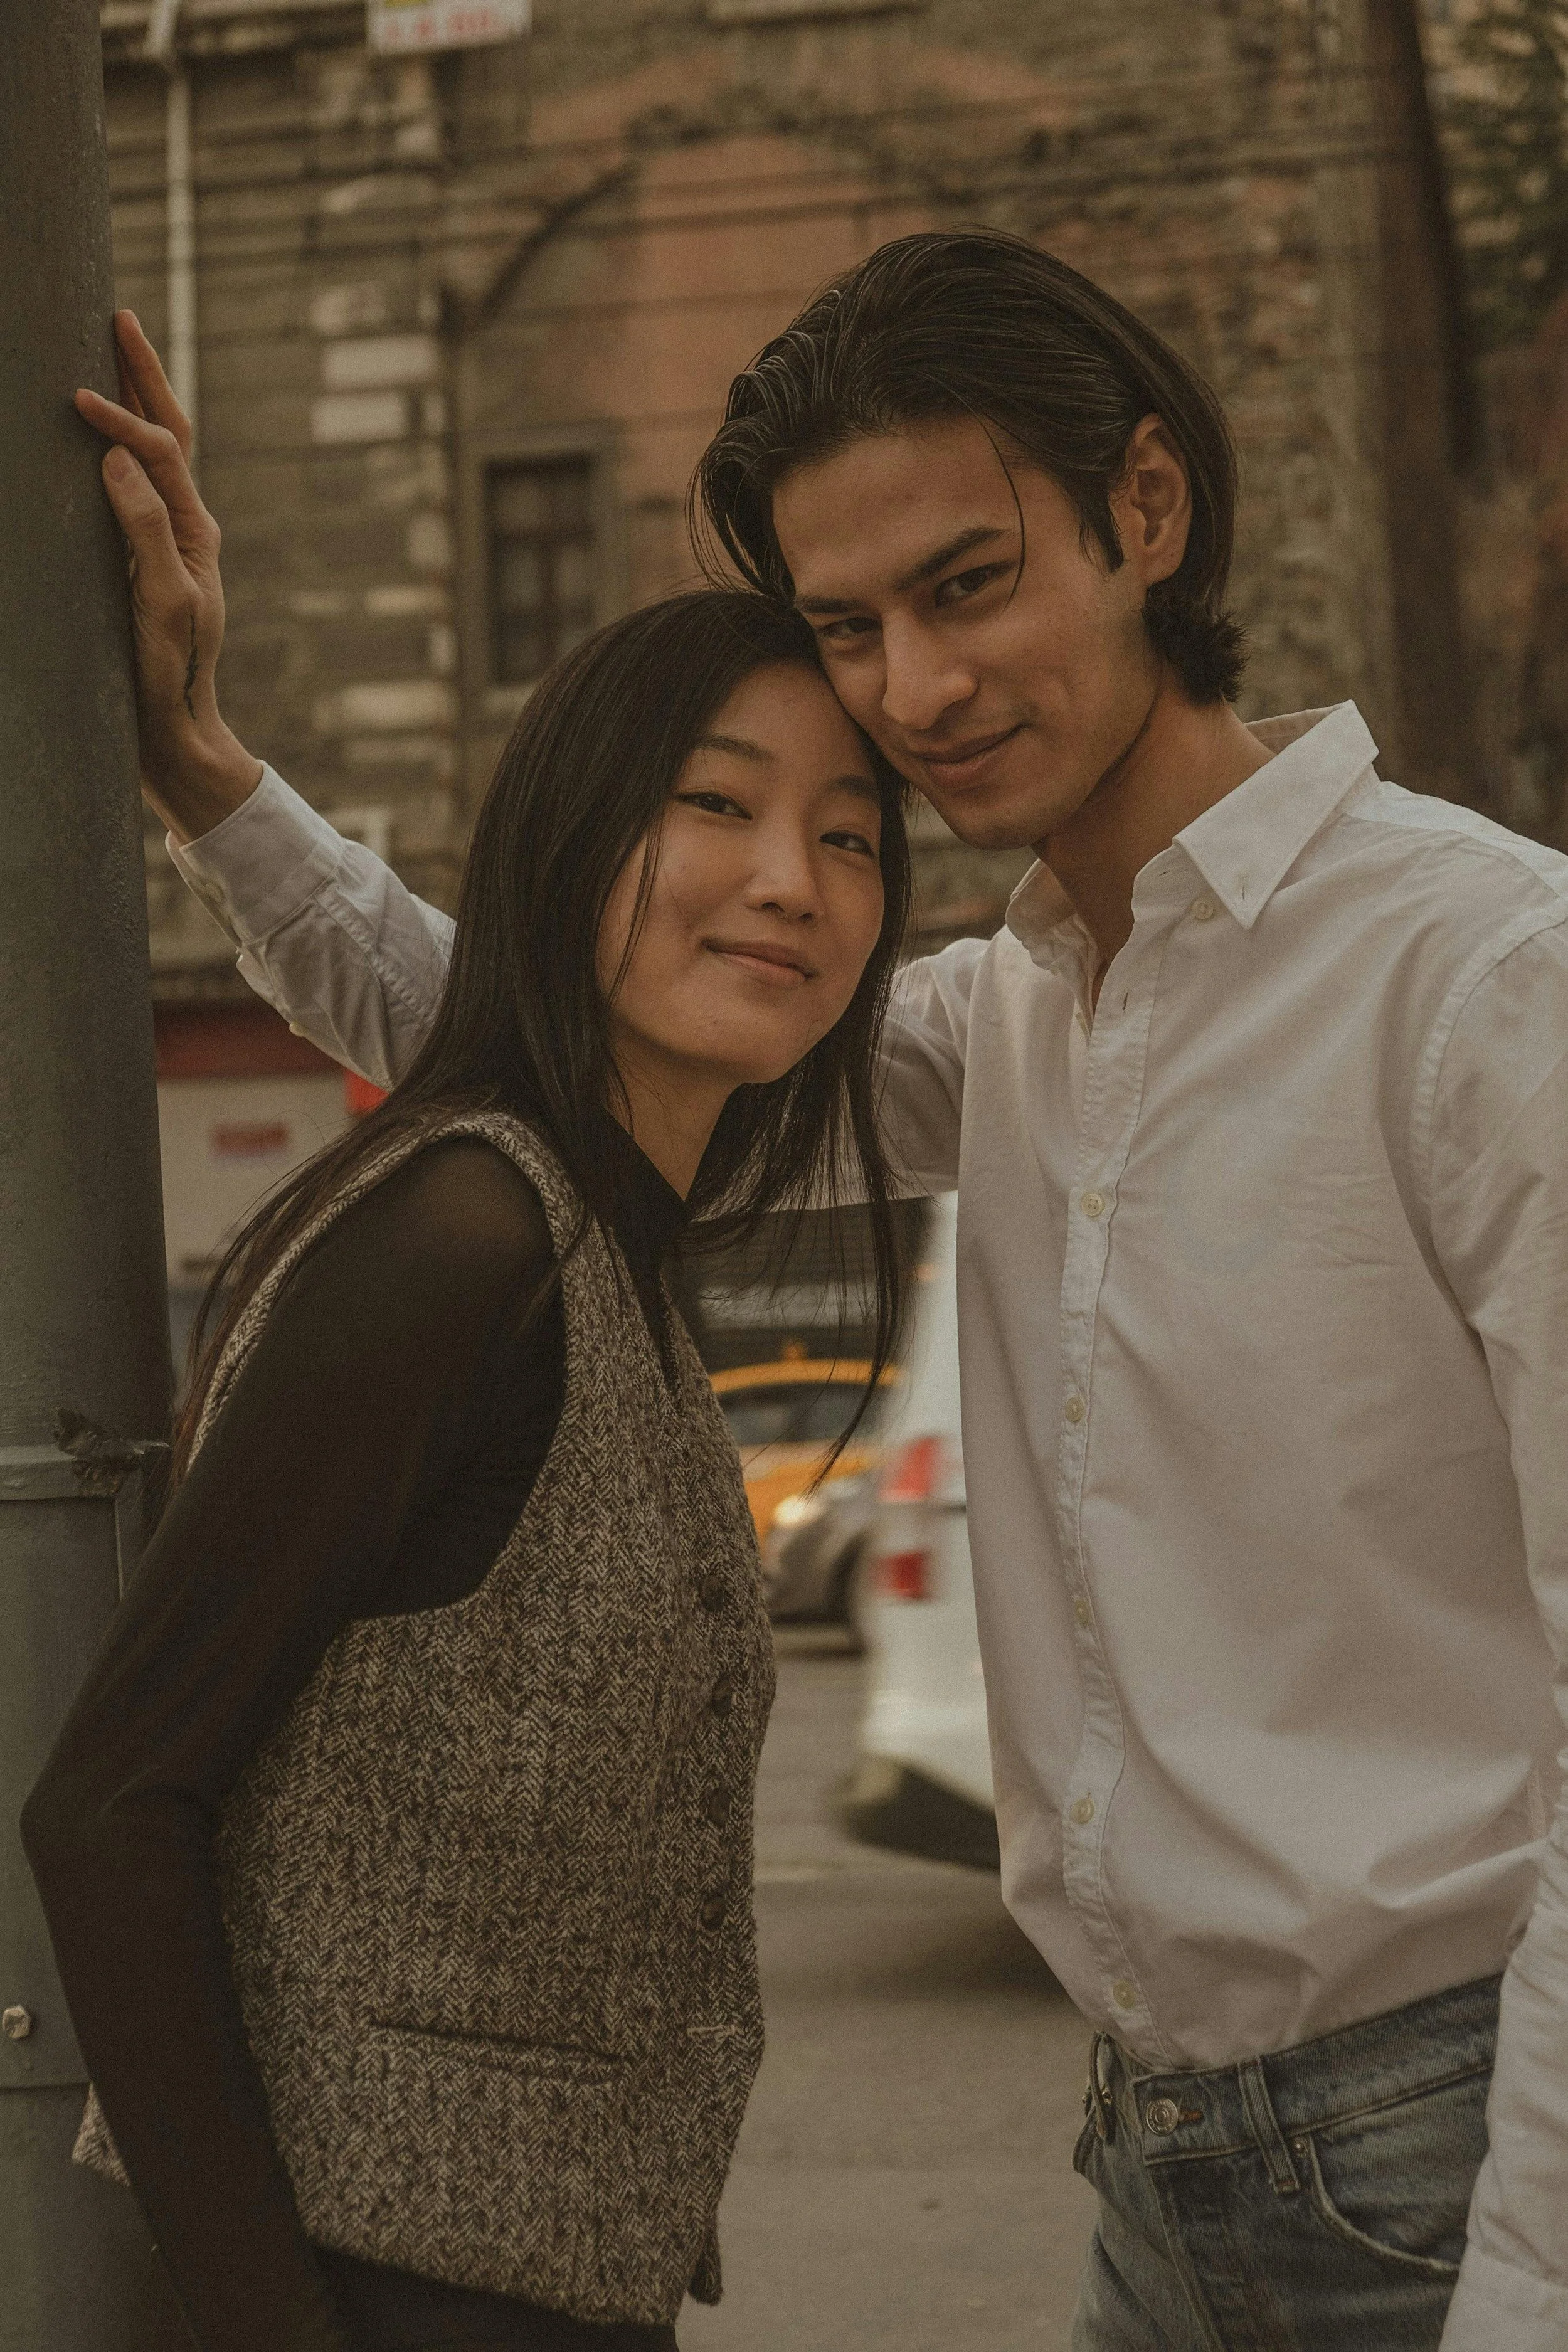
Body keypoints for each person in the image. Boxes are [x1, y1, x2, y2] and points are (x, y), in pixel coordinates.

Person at [70, 230, 1568, 2352]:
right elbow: (564, 1000)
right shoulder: (1018, 1019)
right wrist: (208, 776)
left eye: (967, 585)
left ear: (1145, 512)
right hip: (1157, 2166)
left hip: (1445, 2153)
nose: (913, 693)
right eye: (848, 627)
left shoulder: (1487, 982)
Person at [23, 575, 915, 2352]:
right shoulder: (456, 1234)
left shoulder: (605, 1237)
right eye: (716, 802)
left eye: (850, 833)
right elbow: (113, 1803)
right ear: (572, 828)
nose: (788, 882)